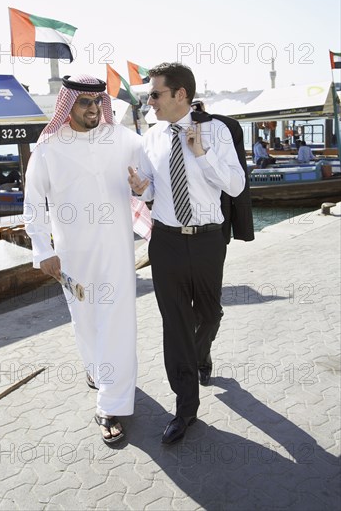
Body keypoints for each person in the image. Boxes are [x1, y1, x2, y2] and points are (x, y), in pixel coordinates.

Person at [128, 62, 246, 444]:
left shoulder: (217, 131)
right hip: (166, 242)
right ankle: (185, 408)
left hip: (209, 240)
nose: (150, 101)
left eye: (156, 94)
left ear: (181, 94)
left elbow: (235, 184)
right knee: (175, 324)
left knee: (210, 312)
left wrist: (201, 153)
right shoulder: (151, 136)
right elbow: (151, 192)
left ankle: (201, 352)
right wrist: (140, 187)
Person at [23, 74, 145, 444]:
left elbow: (153, 170)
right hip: (73, 256)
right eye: (84, 102)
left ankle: (111, 402)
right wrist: (43, 250)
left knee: (118, 321)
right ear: (68, 105)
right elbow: (33, 202)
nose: (93, 109)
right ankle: (97, 369)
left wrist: (145, 186)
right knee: (86, 318)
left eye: (97, 102)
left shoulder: (122, 138)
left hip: (117, 252)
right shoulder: (49, 148)